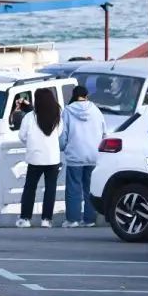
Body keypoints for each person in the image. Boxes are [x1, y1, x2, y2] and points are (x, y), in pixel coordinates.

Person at [59, 84, 105, 227]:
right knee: (90, 189)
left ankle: (73, 220)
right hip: (93, 154)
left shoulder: (67, 111)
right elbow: (104, 132)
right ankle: (89, 220)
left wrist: (63, 147)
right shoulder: (96, 110)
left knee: (73, 189)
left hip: (75, 155)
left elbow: (63, 134)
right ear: (86, 95)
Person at [16, 87, 62, 227]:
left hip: (35, 157)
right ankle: (46, 220)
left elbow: (22, 136)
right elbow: (59, 133)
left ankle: (25, 218)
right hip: (52, 158)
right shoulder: (57, 115)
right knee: (50, 189)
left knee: (30, 188)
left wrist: (32, 142)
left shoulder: (30, 117)